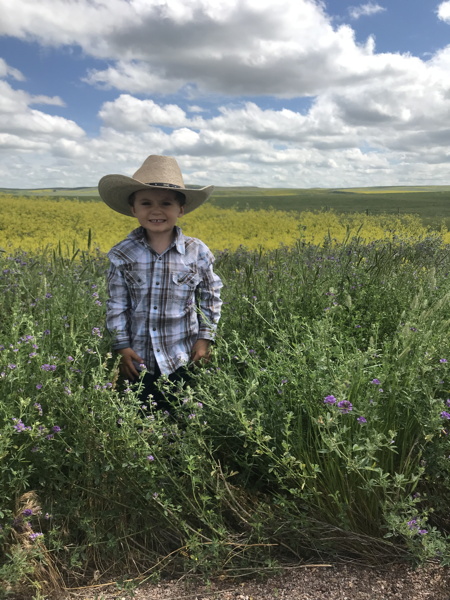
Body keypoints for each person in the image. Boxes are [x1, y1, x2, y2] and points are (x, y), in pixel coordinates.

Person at [98, 155, 223, 412]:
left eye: (166, 203)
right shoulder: (123, 254)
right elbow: (117, 304)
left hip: (182, 356)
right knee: (140, 418)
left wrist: (205, 339)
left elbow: (210, 299)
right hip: (138, 359)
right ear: (134, 209)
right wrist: (121, 346)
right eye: (146, 203)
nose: (156, 210)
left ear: (180, 209)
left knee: (184, 417)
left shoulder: (196, 252)